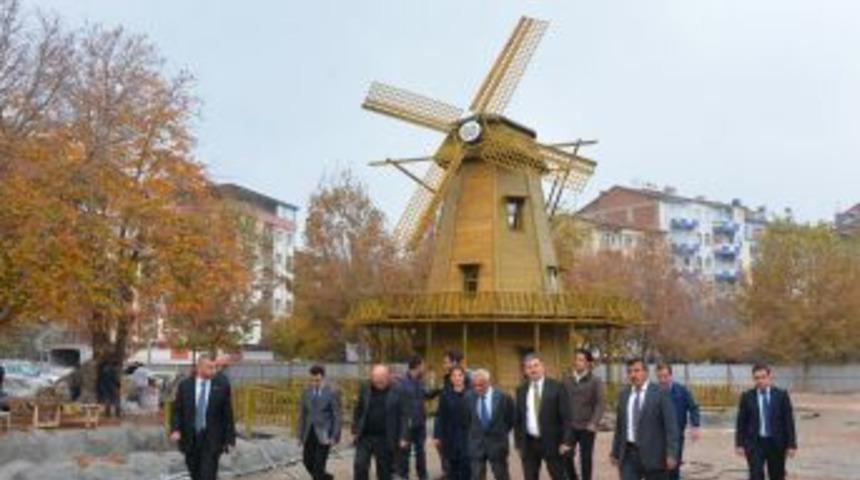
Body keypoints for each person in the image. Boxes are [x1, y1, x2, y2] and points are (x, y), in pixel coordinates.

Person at [610, 358, 679, 480]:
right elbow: (620, 427)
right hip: (628, 455)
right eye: (629, 371)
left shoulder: (660, 393)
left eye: (637, 371)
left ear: (646, 372)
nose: (633, 375)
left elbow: (671, 427)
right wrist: (615, 452)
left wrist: (672, 453)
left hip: (655, 456)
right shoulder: (624, 395)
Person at [170, 355, 236, 480]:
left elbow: (228, 413)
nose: (214, 370)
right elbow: (177, 410)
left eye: (215, 367)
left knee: (208, 474)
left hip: (213, 438)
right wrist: (175, 429)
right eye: (210, 367)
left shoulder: (222, 385)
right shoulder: (185, 386)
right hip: (190, 437)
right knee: (195, 472)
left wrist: (230, 438)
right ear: (199, 368)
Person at [514, 353, 572, 480]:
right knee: (530, 477)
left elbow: (567, 417)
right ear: (525, 371)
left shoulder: (557, 387)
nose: (533, 369)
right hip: (529, 443)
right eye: (529, 367)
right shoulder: (521, 390)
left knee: (559, 476)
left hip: (553, 442)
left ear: (543, 367)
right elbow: (518, 419)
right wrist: (518, 443)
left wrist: (566, 441)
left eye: (536, 365)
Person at [735, 363, 797, 480]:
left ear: (769, 377)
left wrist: (791, 444)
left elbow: (788, 421)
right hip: (755, 444)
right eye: (757, 378)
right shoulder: (747, 397)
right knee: (756, 475)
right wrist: (739, 444)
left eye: (763, 377)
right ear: (753, 379)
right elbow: (741, 422)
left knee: (777, 475)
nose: (760, 381)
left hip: (777, 444)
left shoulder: (781, 395)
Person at [353, 364, 410, 480]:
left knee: (384, 472)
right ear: (372, 377)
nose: (379, 382)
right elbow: (358, 409)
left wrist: (403, 436)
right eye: (376, 378)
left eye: (382, 378)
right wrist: (355, 428)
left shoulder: (398, 390)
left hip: (385, 438)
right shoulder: (365, 388)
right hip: (365, 436)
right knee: (360, 466)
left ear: (388, 376)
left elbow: (404, 415)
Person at [563, 348, 606, 480]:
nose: (577, 362)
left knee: (585, 459)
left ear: (587, 363)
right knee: (565, 455)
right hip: (570, 427)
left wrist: (594, 422)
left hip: (587, 427)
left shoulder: (595, 381)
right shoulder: (567, 380)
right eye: (576, 359)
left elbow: (600, 403)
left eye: (581, 360)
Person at [466, 368, 515, 480]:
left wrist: (500, 432)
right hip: (476, 445)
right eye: (475, 385)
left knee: (501, 476)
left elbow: (510, 419)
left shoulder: (503, 397)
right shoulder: (468, 397)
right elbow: (467, 420)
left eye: (481, 385)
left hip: (497, 445)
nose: (477, 388)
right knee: (477, 476)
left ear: (489, 382)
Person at [656, 364, 701, 480]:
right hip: (657, 436)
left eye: (665, 376)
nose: (663, 380)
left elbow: (693, 407)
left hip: (676, 437)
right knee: (658, 468)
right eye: (660, 377)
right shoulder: (653, 392)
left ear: (671, 376)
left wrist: (695, 425)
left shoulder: (681, 391)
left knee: (673, 467)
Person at [298, 364, 341, 480]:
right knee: (307, 462)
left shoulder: (332, 392)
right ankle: (326, 478)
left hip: (324, 434)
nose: (314, 383)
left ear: (323, 378)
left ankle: (320, 477)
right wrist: (300, 436)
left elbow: (336, 416)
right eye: (312, 380)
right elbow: (302, 415)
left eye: (317, 380)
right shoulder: (306, 392)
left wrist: (334, 436)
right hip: (309, 433)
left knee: (318, 466)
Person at [433, 366, 471, 480]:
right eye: (454, 375)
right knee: (452, 469)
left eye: (460, 375)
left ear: (464, 377)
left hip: (467, 436)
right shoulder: (445, 395)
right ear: (450, 378)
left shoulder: (471, 394)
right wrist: (437, 435)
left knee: (467, 468)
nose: (457, 378)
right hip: (451, 436)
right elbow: (440, 416)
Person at [397, 355, 431, 480]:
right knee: (404, 452)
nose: (425, 367)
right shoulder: (401, 383)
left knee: (421, 452)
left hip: (420, 423)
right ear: (417, 366)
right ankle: (403, 475)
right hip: (407, 424)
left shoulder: (421, 381)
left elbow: (426, 395)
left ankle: (423, 475)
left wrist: (439, 390)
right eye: (423, 365)